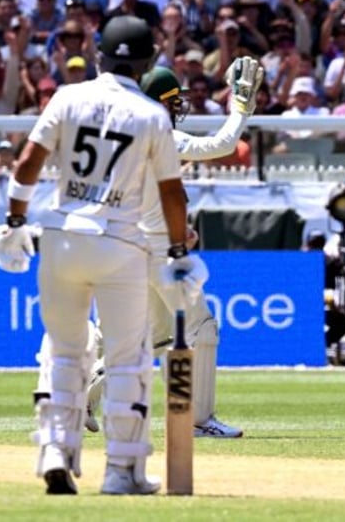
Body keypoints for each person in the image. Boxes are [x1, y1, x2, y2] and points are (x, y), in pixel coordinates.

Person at [0, 16, 203, 495]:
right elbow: (173, 195)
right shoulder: (151, 115)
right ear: (149, 62)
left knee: (64, 350)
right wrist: (175, 251)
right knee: (129, 359)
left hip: (62, 236)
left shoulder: (67, 97)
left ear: (99, 55)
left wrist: (16, 220)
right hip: (121, 243)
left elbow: (27, 162)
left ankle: (53, 450)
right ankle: (122, 471)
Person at [82, 58, 264, 439]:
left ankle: (83, 396)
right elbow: (222, 144)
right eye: (172, 99)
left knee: (153, 338)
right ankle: (200, 421)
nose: (177, 107)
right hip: (160, 254)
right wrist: (241, 107)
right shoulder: (157, 130)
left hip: (131, 250)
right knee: (204, 327)